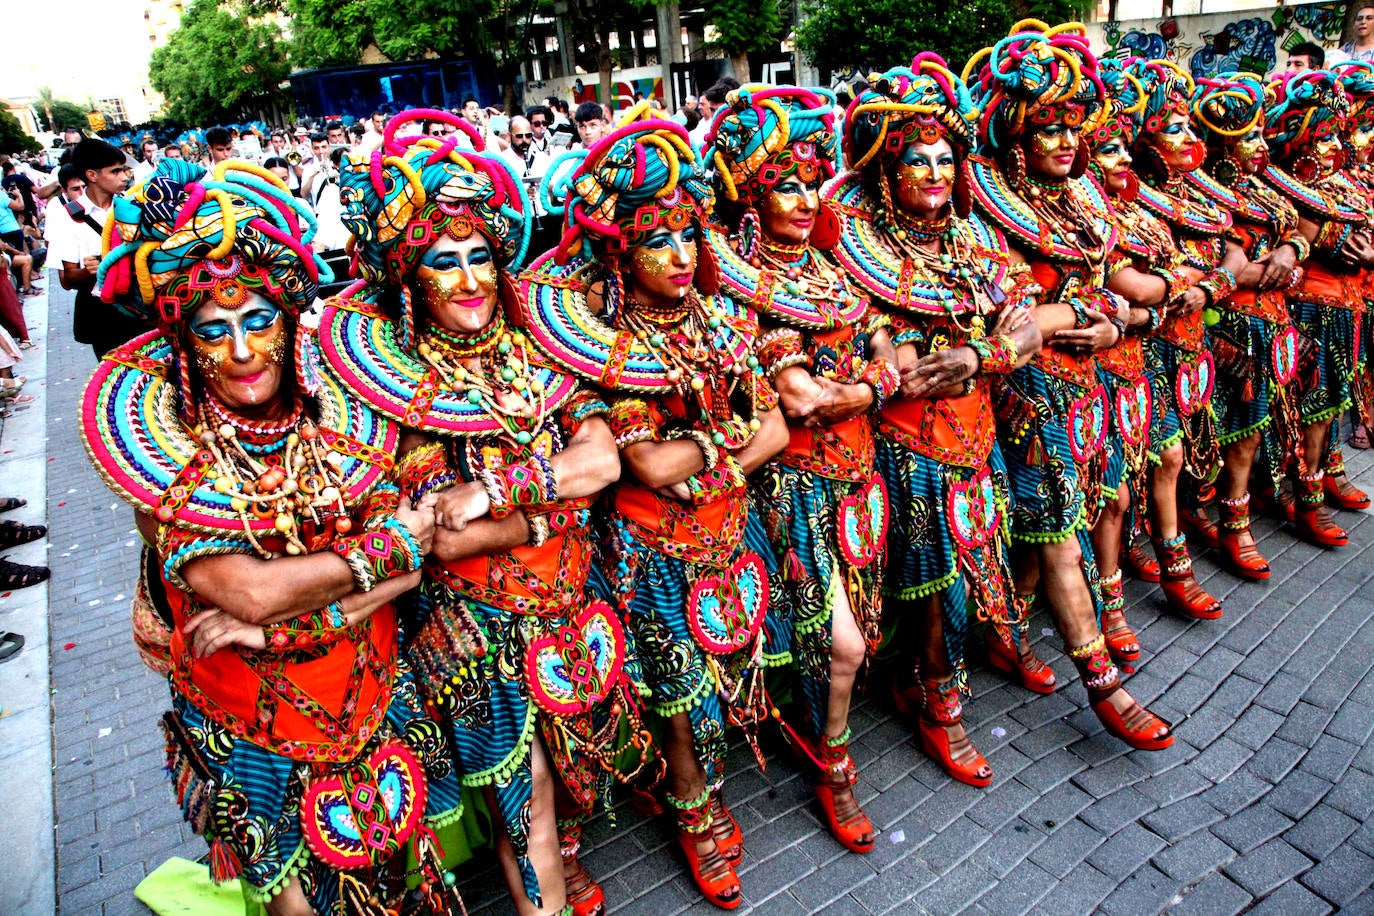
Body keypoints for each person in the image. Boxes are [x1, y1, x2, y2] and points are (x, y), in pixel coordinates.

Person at [82, 157, 465, 915]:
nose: (241, 351)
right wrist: (381, 554)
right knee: (294, 899)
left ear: (289, 323)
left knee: (400, 875)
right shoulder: (164, 461)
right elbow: (251, 592)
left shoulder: (347, 419)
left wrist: (284, 621)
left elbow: (412, 569)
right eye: (213, 330)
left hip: (371, 688)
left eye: (259, 321)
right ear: (184, 342)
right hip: (249, 720)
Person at [321, 109, 638, 916]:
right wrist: (549, 507)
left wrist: (498, 491)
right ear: (407, 278)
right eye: (443, 262)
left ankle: (562, 862)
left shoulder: (540, 345)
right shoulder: (388, 383)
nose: (468, 279)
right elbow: (438, 536)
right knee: (525, 797)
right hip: (475, 627)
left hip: (574, 594)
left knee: (572, 765)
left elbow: (602, 461)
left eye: (480, 258)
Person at [525, 104, 789, 909]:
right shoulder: (599, 342)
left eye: (688, 235)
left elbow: (776, 429)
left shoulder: (723, 318)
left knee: (728, 679)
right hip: (652, 552)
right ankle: (692, 811)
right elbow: (643, 463)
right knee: (681, 700)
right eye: (656, 239)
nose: (680, 255)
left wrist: (704, 453)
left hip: (730, 532)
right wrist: (729, 439)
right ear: (619, 251)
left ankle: (698, 791)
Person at [821, 59, 1042, 784]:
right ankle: (940, 709)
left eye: (946, 159)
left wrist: (980, 354)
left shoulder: (973, 236)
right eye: (918, 159)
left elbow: (1025, 323)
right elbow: (898, 359)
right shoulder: (855, 244)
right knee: (934, 585)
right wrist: (938, 352)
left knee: (972, 570)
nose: (937, 173)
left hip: (978, 435)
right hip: (912, 447)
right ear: (887, 171)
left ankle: (921, 678)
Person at [963, 21, 1174, 751]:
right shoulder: (983, 208)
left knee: (1081, 510)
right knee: (1056, 531)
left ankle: (1010, 631)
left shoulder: (1080, 198)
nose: (1064, 140)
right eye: (1046, 127)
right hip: (1029, 394)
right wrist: (1088, 312)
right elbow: (1017, 322)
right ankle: (1102, 682)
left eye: (1071, 126)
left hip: (1088, 386)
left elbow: (1117, 284)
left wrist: (1114, 319)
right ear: (1016, 136)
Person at [707, 81, 903, 844]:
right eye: (782, 185)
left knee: (853, 631)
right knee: (841, 641)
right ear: (750, 198)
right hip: (795, 489)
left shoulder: (831, 266)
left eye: (809, 181)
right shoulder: (741, 283)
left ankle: (824, 732)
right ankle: (833, 766)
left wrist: (864, 383)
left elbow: (886, 347)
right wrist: (871, 383)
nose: (801, 198)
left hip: (860, 477)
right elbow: (801, 399)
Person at [1115, 58, 1234, 620]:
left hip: (1179, 344)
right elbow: (1131, 287)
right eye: (1174, 128)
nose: (1189, 139)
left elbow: (1229, 252)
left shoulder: (1189, 197)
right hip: (1127, 353)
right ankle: (1132, 581)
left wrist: (1208, 284)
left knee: (1177, 452)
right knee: (1137, 471)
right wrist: (1183, 281)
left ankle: (1174, 550)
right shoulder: (1109, 206)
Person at [1188, 71, 1308, 581]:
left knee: (1255, 428)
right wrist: (1280, 268)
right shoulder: (1205, 194)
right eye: (1247, 138)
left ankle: (1230, 515)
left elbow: (1301, 225)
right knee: (1228, 429)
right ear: (1219, 144)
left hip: (1273, 323)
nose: (1261, 146)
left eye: (1261, 134)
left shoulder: (1262, 185)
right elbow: (1229, 268)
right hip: (1232, 327)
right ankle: (1226, 523)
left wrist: (1290, 250)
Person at [1263, 69, 1373, 545]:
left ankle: (1318, 477)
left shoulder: (1342, 184)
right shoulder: (1288, 189)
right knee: (1312, 405)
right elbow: (1320, 244)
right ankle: (1307, 497)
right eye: (1325, 137)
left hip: (1346, 306)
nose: (1337, 146)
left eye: (1338, 135)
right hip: (1311, 308)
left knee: (1329, 404)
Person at [50, 139, 150, 358]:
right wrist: (92, 269)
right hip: (103, 313)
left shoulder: (134, 206)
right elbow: (68, 279)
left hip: (142, 305)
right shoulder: (68, 217)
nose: (124, 177)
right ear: (92, 175)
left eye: (124, 170)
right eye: (115, 171)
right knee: (119, 374)